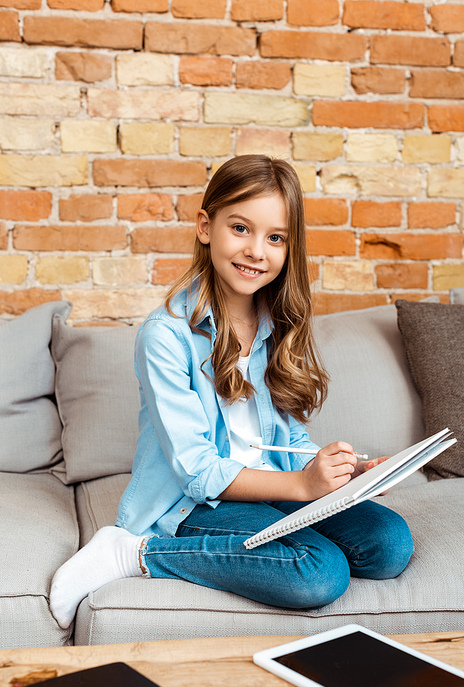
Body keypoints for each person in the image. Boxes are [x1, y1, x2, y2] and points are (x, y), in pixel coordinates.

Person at [50, 155, 413, 629]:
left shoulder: (277, 324)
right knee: (319, 573)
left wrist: (346, 474)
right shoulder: (166, 335)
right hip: (198, 504)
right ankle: (136, 553)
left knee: (389, 544)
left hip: (273, 487)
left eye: (275, 237)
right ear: (206, 226)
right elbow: (197, 472)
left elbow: (286, 441)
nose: (257, 251)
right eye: (240, 228)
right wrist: (303, 488)